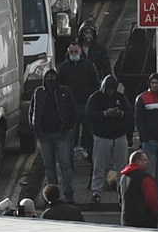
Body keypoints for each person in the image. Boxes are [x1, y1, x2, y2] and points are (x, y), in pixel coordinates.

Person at [30, 64, 79, 201]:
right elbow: (31, 111)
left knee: (65, 164)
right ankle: (52, 196)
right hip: (44, 136)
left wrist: (66, 128)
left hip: (61, 135)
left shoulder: (65, 91)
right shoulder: (38, 92)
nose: (50, 79)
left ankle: (69, 195)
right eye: (47, 77)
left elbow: (73, 112)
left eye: (52, 76)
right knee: (49, 165)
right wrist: (35, 128)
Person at [86, 75, 131, 203]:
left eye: (112, 89)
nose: (110, 92)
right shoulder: (95, 98)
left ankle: (122, 193)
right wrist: (105, 114)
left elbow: (129, 113)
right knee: (98, 166)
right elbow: (89, 115)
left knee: (122, 168)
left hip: (119, 136)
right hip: (102, 137)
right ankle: (96, 192)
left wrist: (120, 113)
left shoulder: (120, 97)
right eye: (108, 89)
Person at [119, 148, 158, 227]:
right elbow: (152, 199)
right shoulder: (145, 178)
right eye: (145, 160)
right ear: (138, 161)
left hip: (126, 219)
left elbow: (121, 199)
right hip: (144, 220)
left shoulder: (123, 177)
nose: (147, 162)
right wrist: (157, 211)